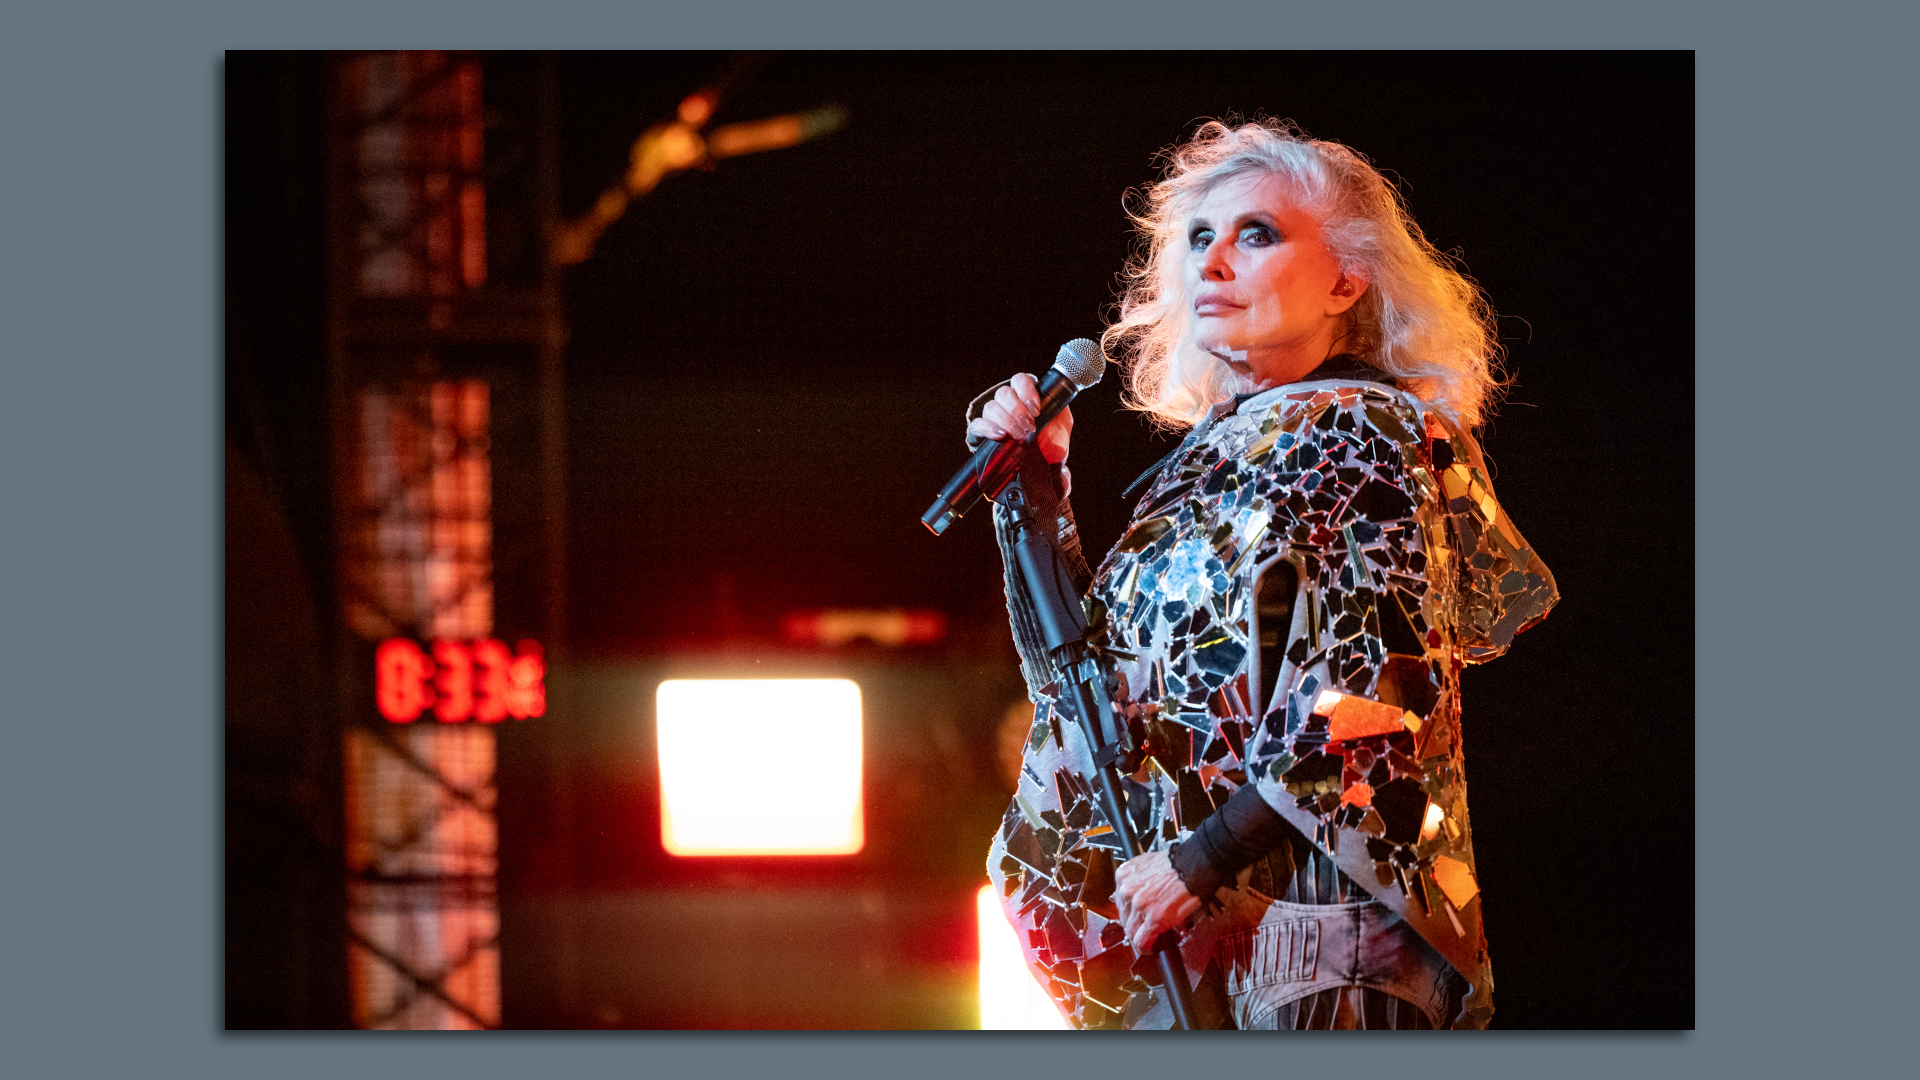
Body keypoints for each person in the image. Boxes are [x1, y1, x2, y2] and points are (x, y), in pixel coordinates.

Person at [976, 120, 1557, 1030]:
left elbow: (1373, 694)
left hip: (1324, 928)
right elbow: (1087, 685)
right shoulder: (1216, 461)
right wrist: (1038, 492)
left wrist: (1195, 859)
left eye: (1257, 233)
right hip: (1212, 929)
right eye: (1199, 238)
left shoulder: (1362, 433)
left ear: (1345, 279)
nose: (1211, 262)